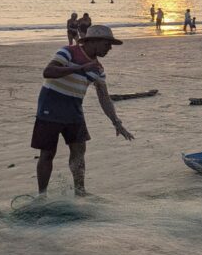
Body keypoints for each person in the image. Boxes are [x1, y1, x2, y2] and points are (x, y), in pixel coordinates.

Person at [31, 24, 135, 196]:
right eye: (107, 44)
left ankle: (80, 192)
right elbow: (48, 71)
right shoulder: (68, 52)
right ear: (93, 41)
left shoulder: (99, 69)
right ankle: (42, 195)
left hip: (74, 111)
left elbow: (104, 98)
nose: (109, 48)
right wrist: (80, 68)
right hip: (50, 109)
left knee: (79, 152)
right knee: (48, 153)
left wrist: (117, 122)